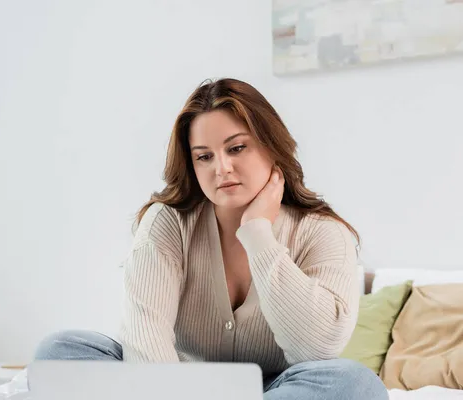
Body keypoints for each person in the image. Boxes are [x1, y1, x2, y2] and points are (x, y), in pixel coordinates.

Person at [34, 78, 388, 399]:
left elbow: (315, 349)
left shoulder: (323, 231)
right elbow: (146, 342)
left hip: (281, 391)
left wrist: (259, 236)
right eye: (204, 156)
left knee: (354, 383)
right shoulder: (168, 222)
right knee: (60, 352)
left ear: (271, 147)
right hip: (178, 387)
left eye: (237, 148)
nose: (221, 168)